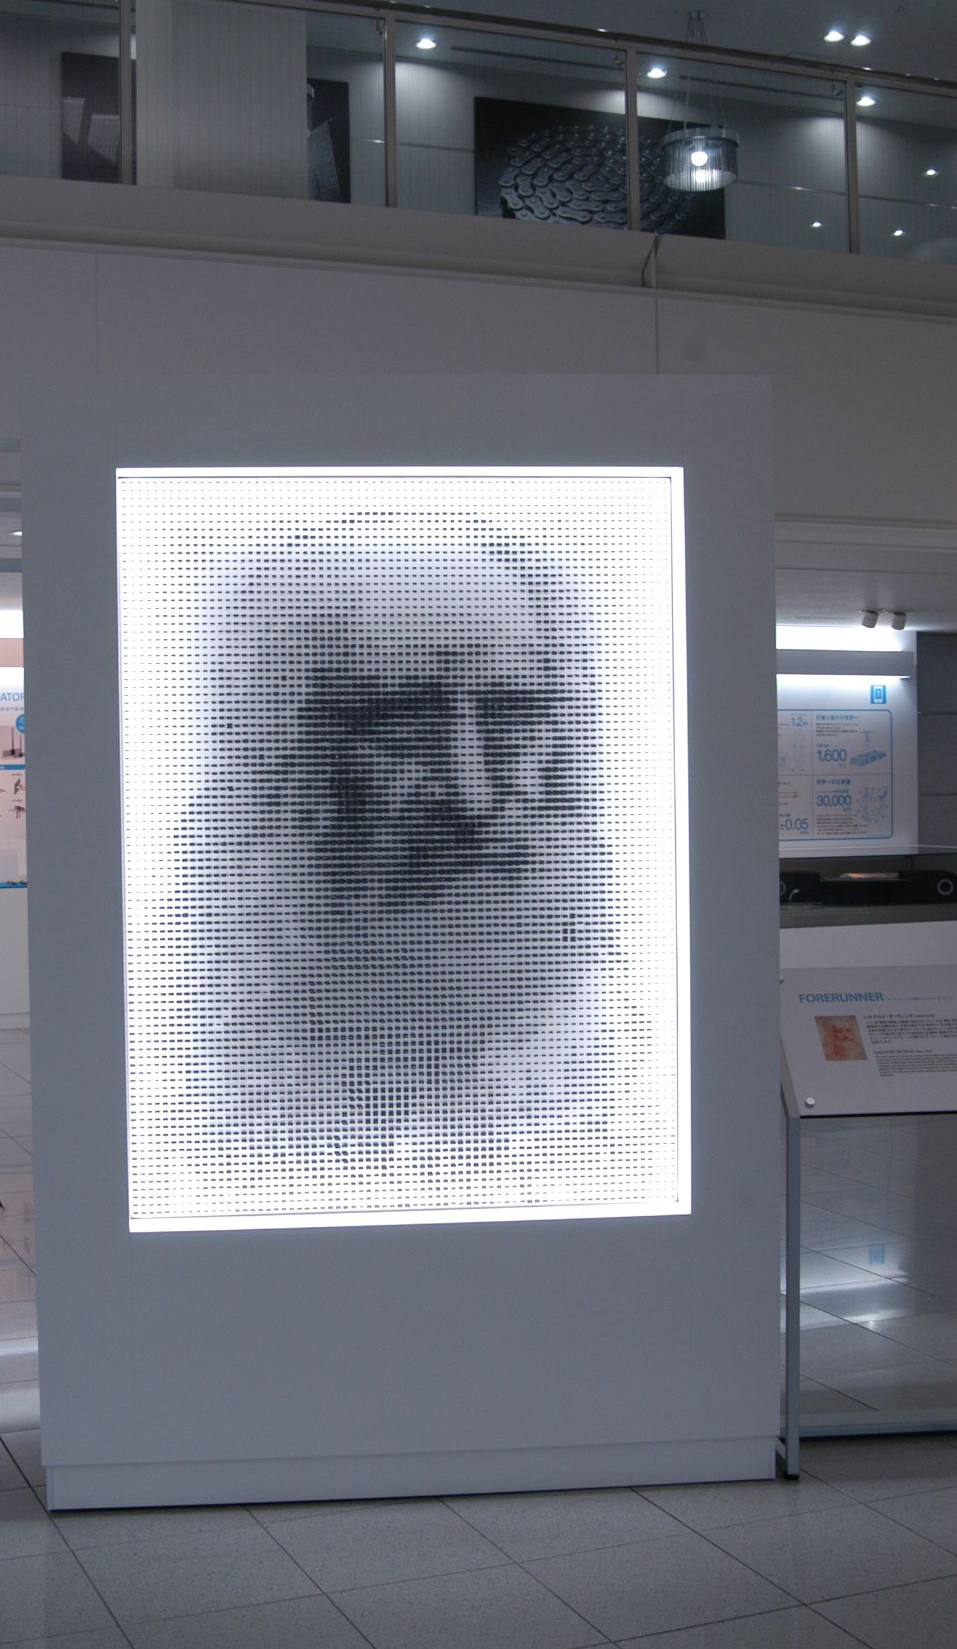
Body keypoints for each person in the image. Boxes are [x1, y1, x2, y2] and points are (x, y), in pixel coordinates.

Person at [124, 502, 673, 1228]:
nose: (473, 797)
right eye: (402, 721)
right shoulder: (210, 1084)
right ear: (294, 764)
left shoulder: (618, 1061)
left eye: (513, 711)